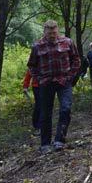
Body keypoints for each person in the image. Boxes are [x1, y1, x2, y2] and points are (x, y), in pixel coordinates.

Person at [27, 20, 81, 153]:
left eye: (54, 32)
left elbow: (76, 59)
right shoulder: (37, 46)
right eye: (49, 32)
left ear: (58, 30)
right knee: (45, 113)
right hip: (46, 83)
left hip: (64, 81)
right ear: (44, 31)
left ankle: (59, 141)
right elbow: (32, 65)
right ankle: (45, 144)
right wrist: (39, 79)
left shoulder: (67, 42)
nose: (52, 34)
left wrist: (70, 76)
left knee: (66, 108)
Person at [22, 69, 40, 135]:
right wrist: (25, 86)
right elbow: (29, 73)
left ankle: (43, 126)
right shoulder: (34, 60)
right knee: (39, 105)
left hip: (46, 85)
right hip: (36, 86)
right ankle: (37, 126)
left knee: (45, 106)